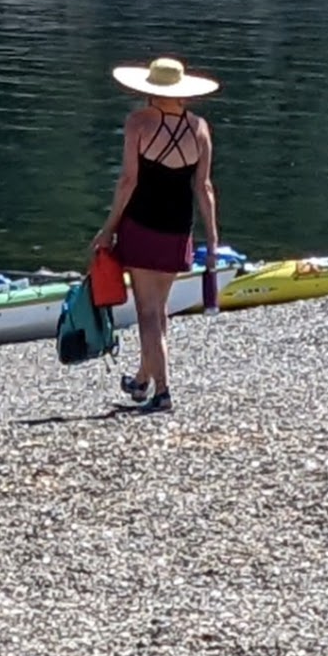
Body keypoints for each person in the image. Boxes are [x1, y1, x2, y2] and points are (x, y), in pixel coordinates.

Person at [92, 57, 220, 414]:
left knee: (148, 313)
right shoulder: (200, 128)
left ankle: (162, 391)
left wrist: (108, 229)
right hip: (179, 227)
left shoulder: (138, 123)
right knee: (158, 309)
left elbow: (129, 180)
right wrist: (212, 240)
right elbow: (204, 186)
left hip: (142, 224)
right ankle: (141, 380)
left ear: (150, 90)